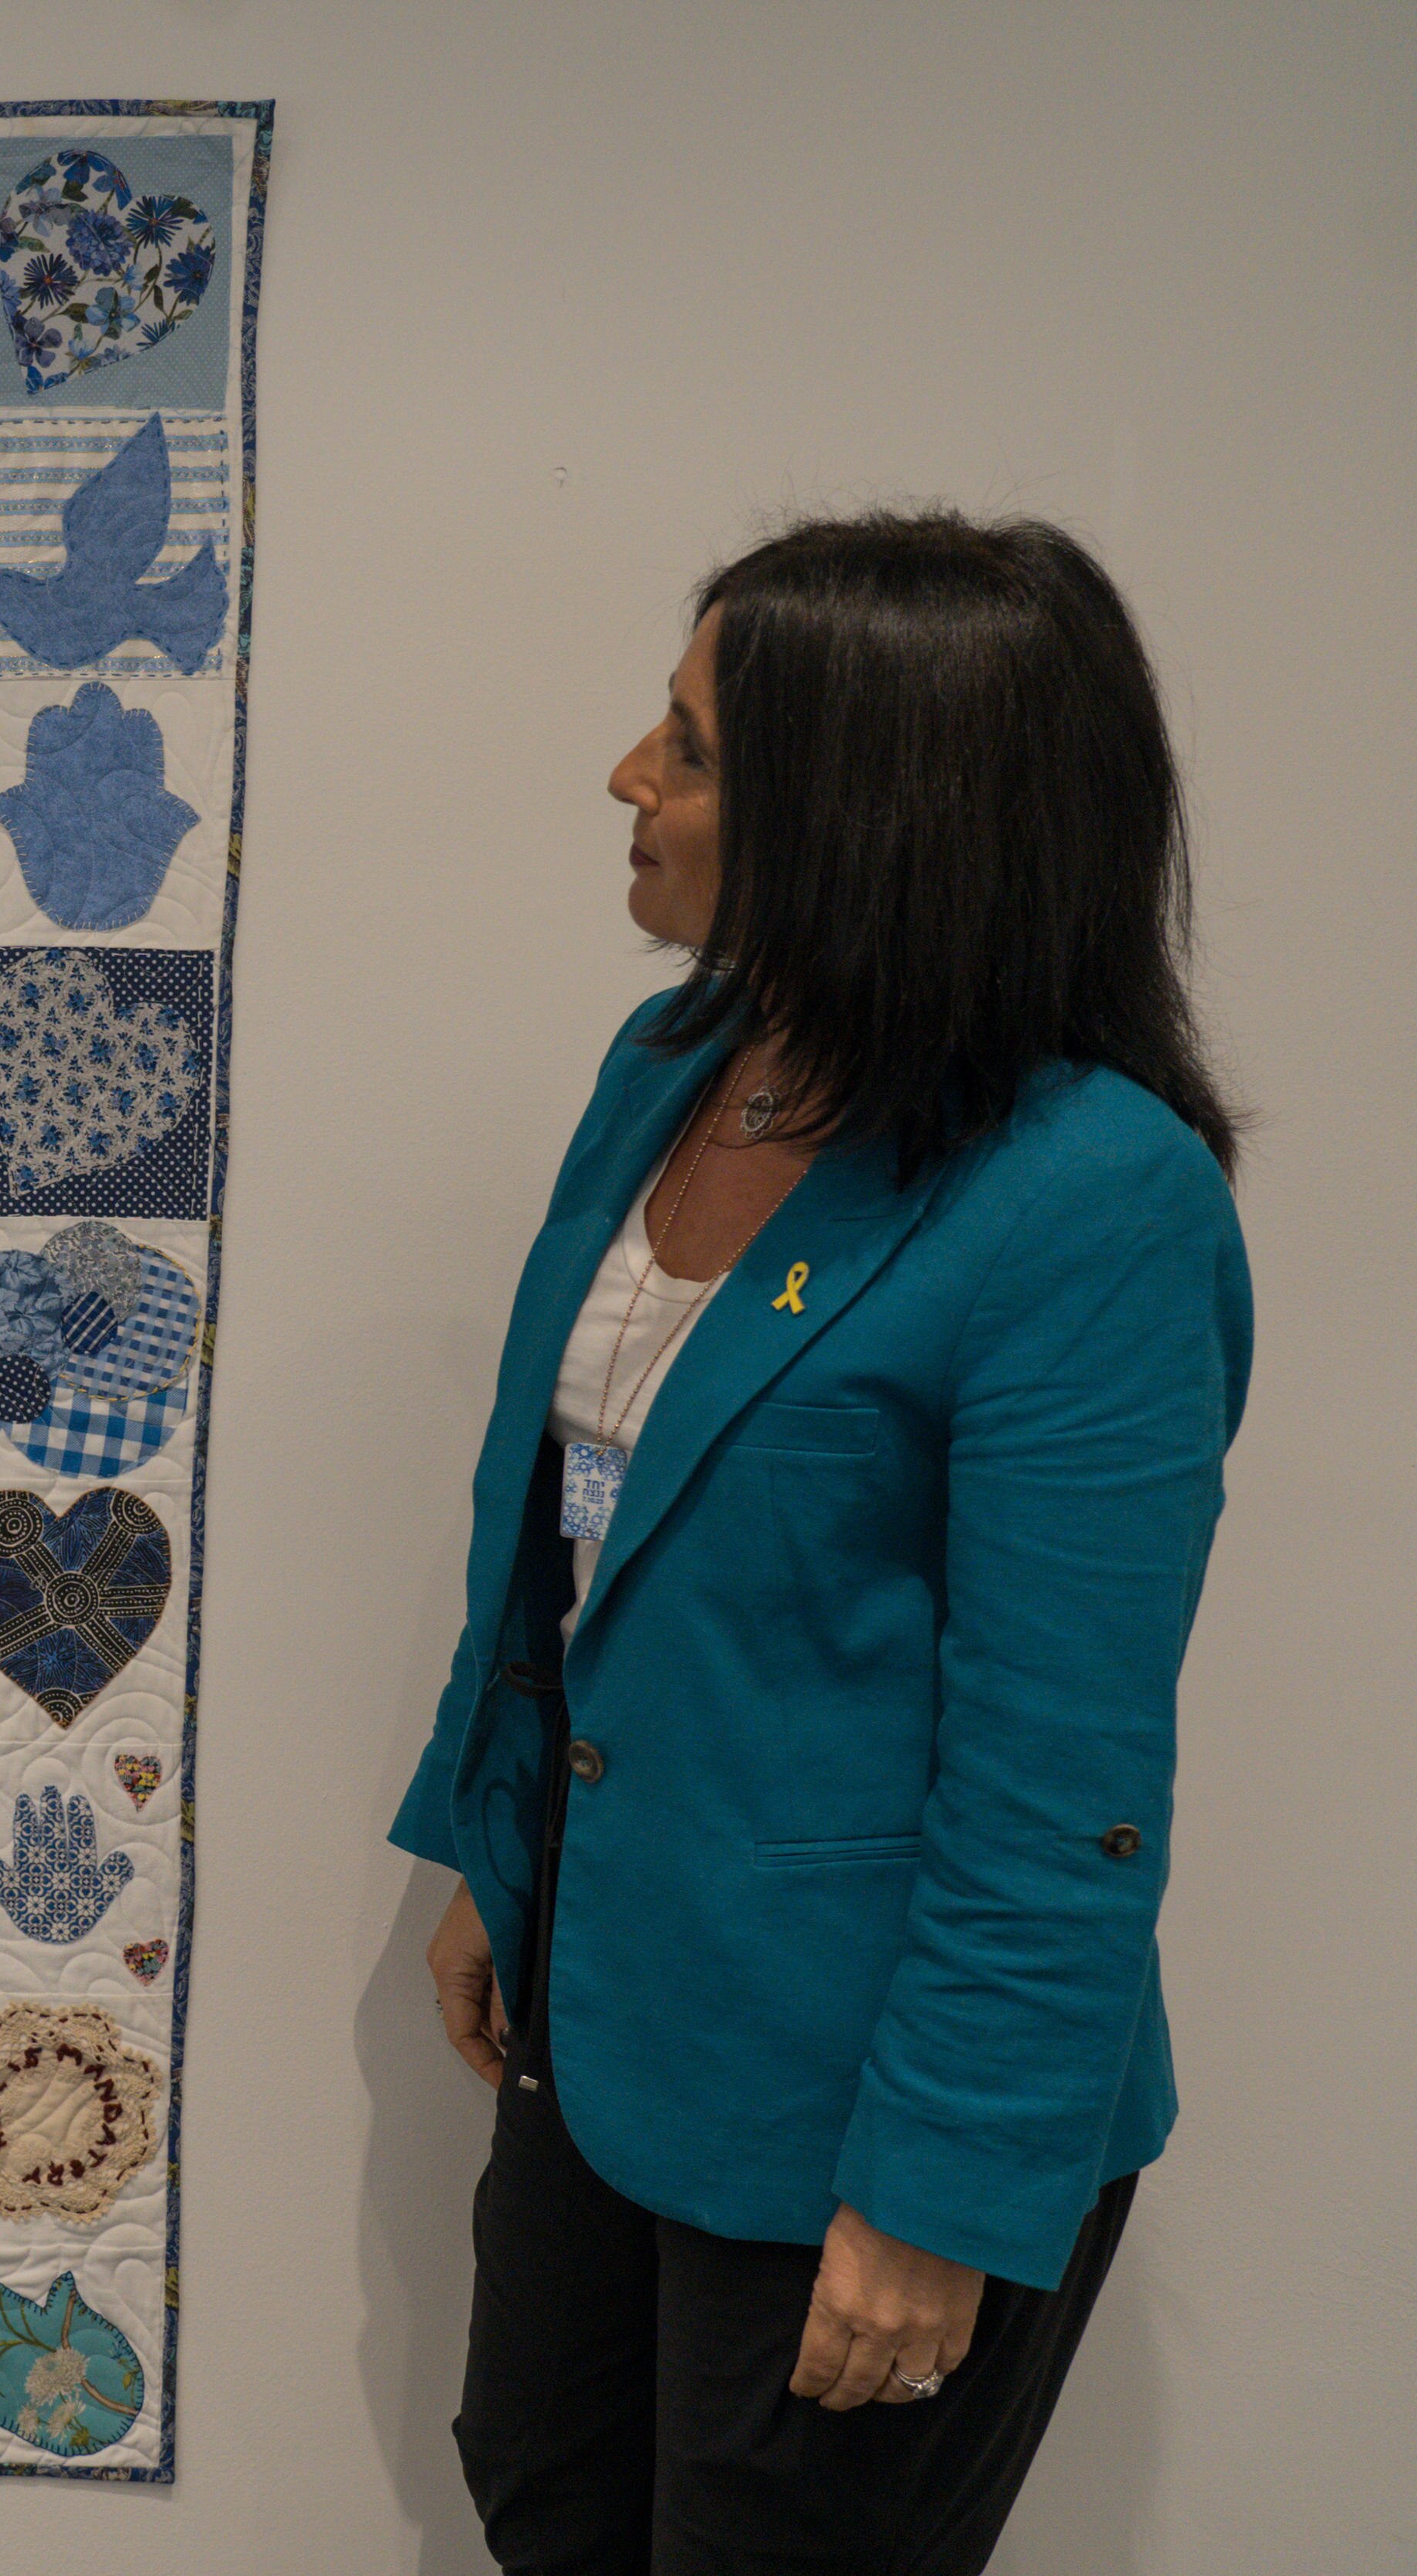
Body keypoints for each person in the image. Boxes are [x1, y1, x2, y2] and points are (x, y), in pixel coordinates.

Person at [392, 511, 1252, 2574]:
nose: (628, 778)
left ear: (872, 816)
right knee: (544, 2486)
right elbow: (571, 1514)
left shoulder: (1091, 1198)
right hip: (608, 1990)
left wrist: (946, 2187)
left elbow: (1064, 1774)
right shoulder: (679, 1060)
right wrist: (498, 1846)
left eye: (683, 747)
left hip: (870, 2084)